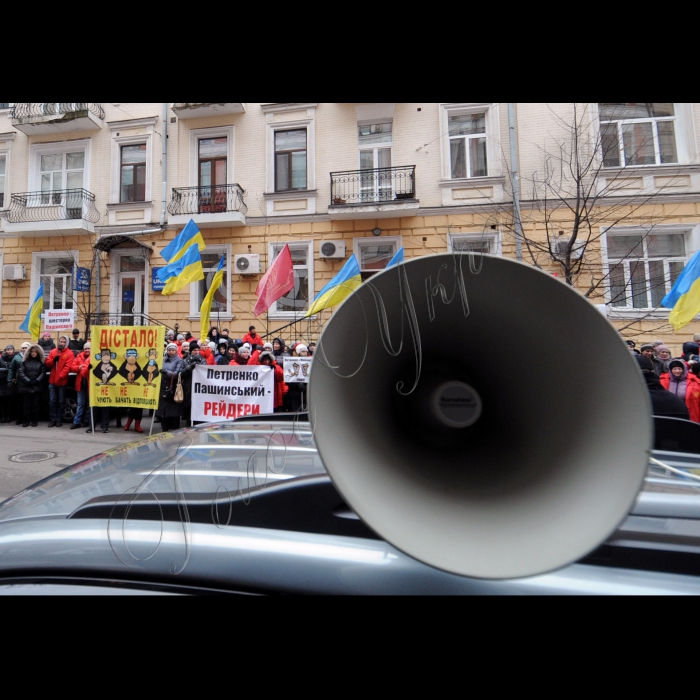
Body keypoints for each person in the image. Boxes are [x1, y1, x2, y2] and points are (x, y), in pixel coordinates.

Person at [635, 355, 689, 420]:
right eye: (674, 369)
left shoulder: (629, 402)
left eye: (679, 369)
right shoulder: (678, 402)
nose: (677, 371)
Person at [46, 334, 74, 428]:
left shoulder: (69, 353)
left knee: (61, 401)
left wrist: (60, 377)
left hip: (61, 382)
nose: (62, 343)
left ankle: (59, 419)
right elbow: (48, 363)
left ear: (66, 343)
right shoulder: (53, 351)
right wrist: (54, 360)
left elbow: (67, 367)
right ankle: (53, 419)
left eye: (64, 342)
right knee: (52, 401)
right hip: (52, 381)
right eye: (60, 342)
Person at [17, 344, 46, 427]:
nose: (33, 353)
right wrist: (28, 381)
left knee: (35, 405)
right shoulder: (25, 362)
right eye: (32, 352)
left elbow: (43, 372)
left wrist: (37, 380)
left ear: (38, 353)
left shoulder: (40, 362)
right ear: (29, 353)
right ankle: (26, 421)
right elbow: (21, 372)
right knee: (26, 405)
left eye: (35, 352)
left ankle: (34, 421)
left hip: (37, 386)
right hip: (27, 386)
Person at [157, 343, 184, 432]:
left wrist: (166, 372)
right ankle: (164, 428)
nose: (171, 352)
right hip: (163, 386)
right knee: (163, 411)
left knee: (173, 411)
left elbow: (177, 373)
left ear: (176, 351)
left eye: (173, 350)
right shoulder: (163, 359)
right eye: (169, 350)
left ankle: (174, 428)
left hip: (173, 387)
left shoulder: (179, 361)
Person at [181, 340, 206, 427]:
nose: (196, 352)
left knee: (198, 407)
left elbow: (206, 372)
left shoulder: (202, 360)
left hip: (199, 387)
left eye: (197, 350)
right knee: (189, 408)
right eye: (194, 350)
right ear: (191, 351)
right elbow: (181, 373)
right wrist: (189, 368)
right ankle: (189, 425)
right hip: (188, 386)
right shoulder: (185, 361)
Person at [70, 342, 92, 430]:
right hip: (80, 384)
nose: (87, 350)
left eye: (89, 348)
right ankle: (77, 422)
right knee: (80, 404)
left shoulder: (94, 357)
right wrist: (78, 367)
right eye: (86, 348)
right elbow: (72, 367)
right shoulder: (79, 356)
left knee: (89, 404)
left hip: (90, 383)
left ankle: (86, 421)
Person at [7, 342, 30, 425]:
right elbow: (11, 369)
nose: (24, 349)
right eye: (23, 348)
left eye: (26, 347)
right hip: (18, 382)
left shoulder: (31, 356)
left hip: (28, 382)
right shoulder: (16, 357)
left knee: (27, 402)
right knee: (19, 402)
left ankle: (26, 419)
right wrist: (9, 379)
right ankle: (19, 418)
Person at [0, 345, 14, 423]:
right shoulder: (1, 358)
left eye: (11, 349)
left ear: (13, 351)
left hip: (10, 382)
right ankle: (2, 416)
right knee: (2, 400)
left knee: (9, 400)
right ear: (5, 351)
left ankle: (8, 416)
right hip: (1, 382)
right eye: (8, 350)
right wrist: (6, 370)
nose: (9, 351)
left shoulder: (14, 358)